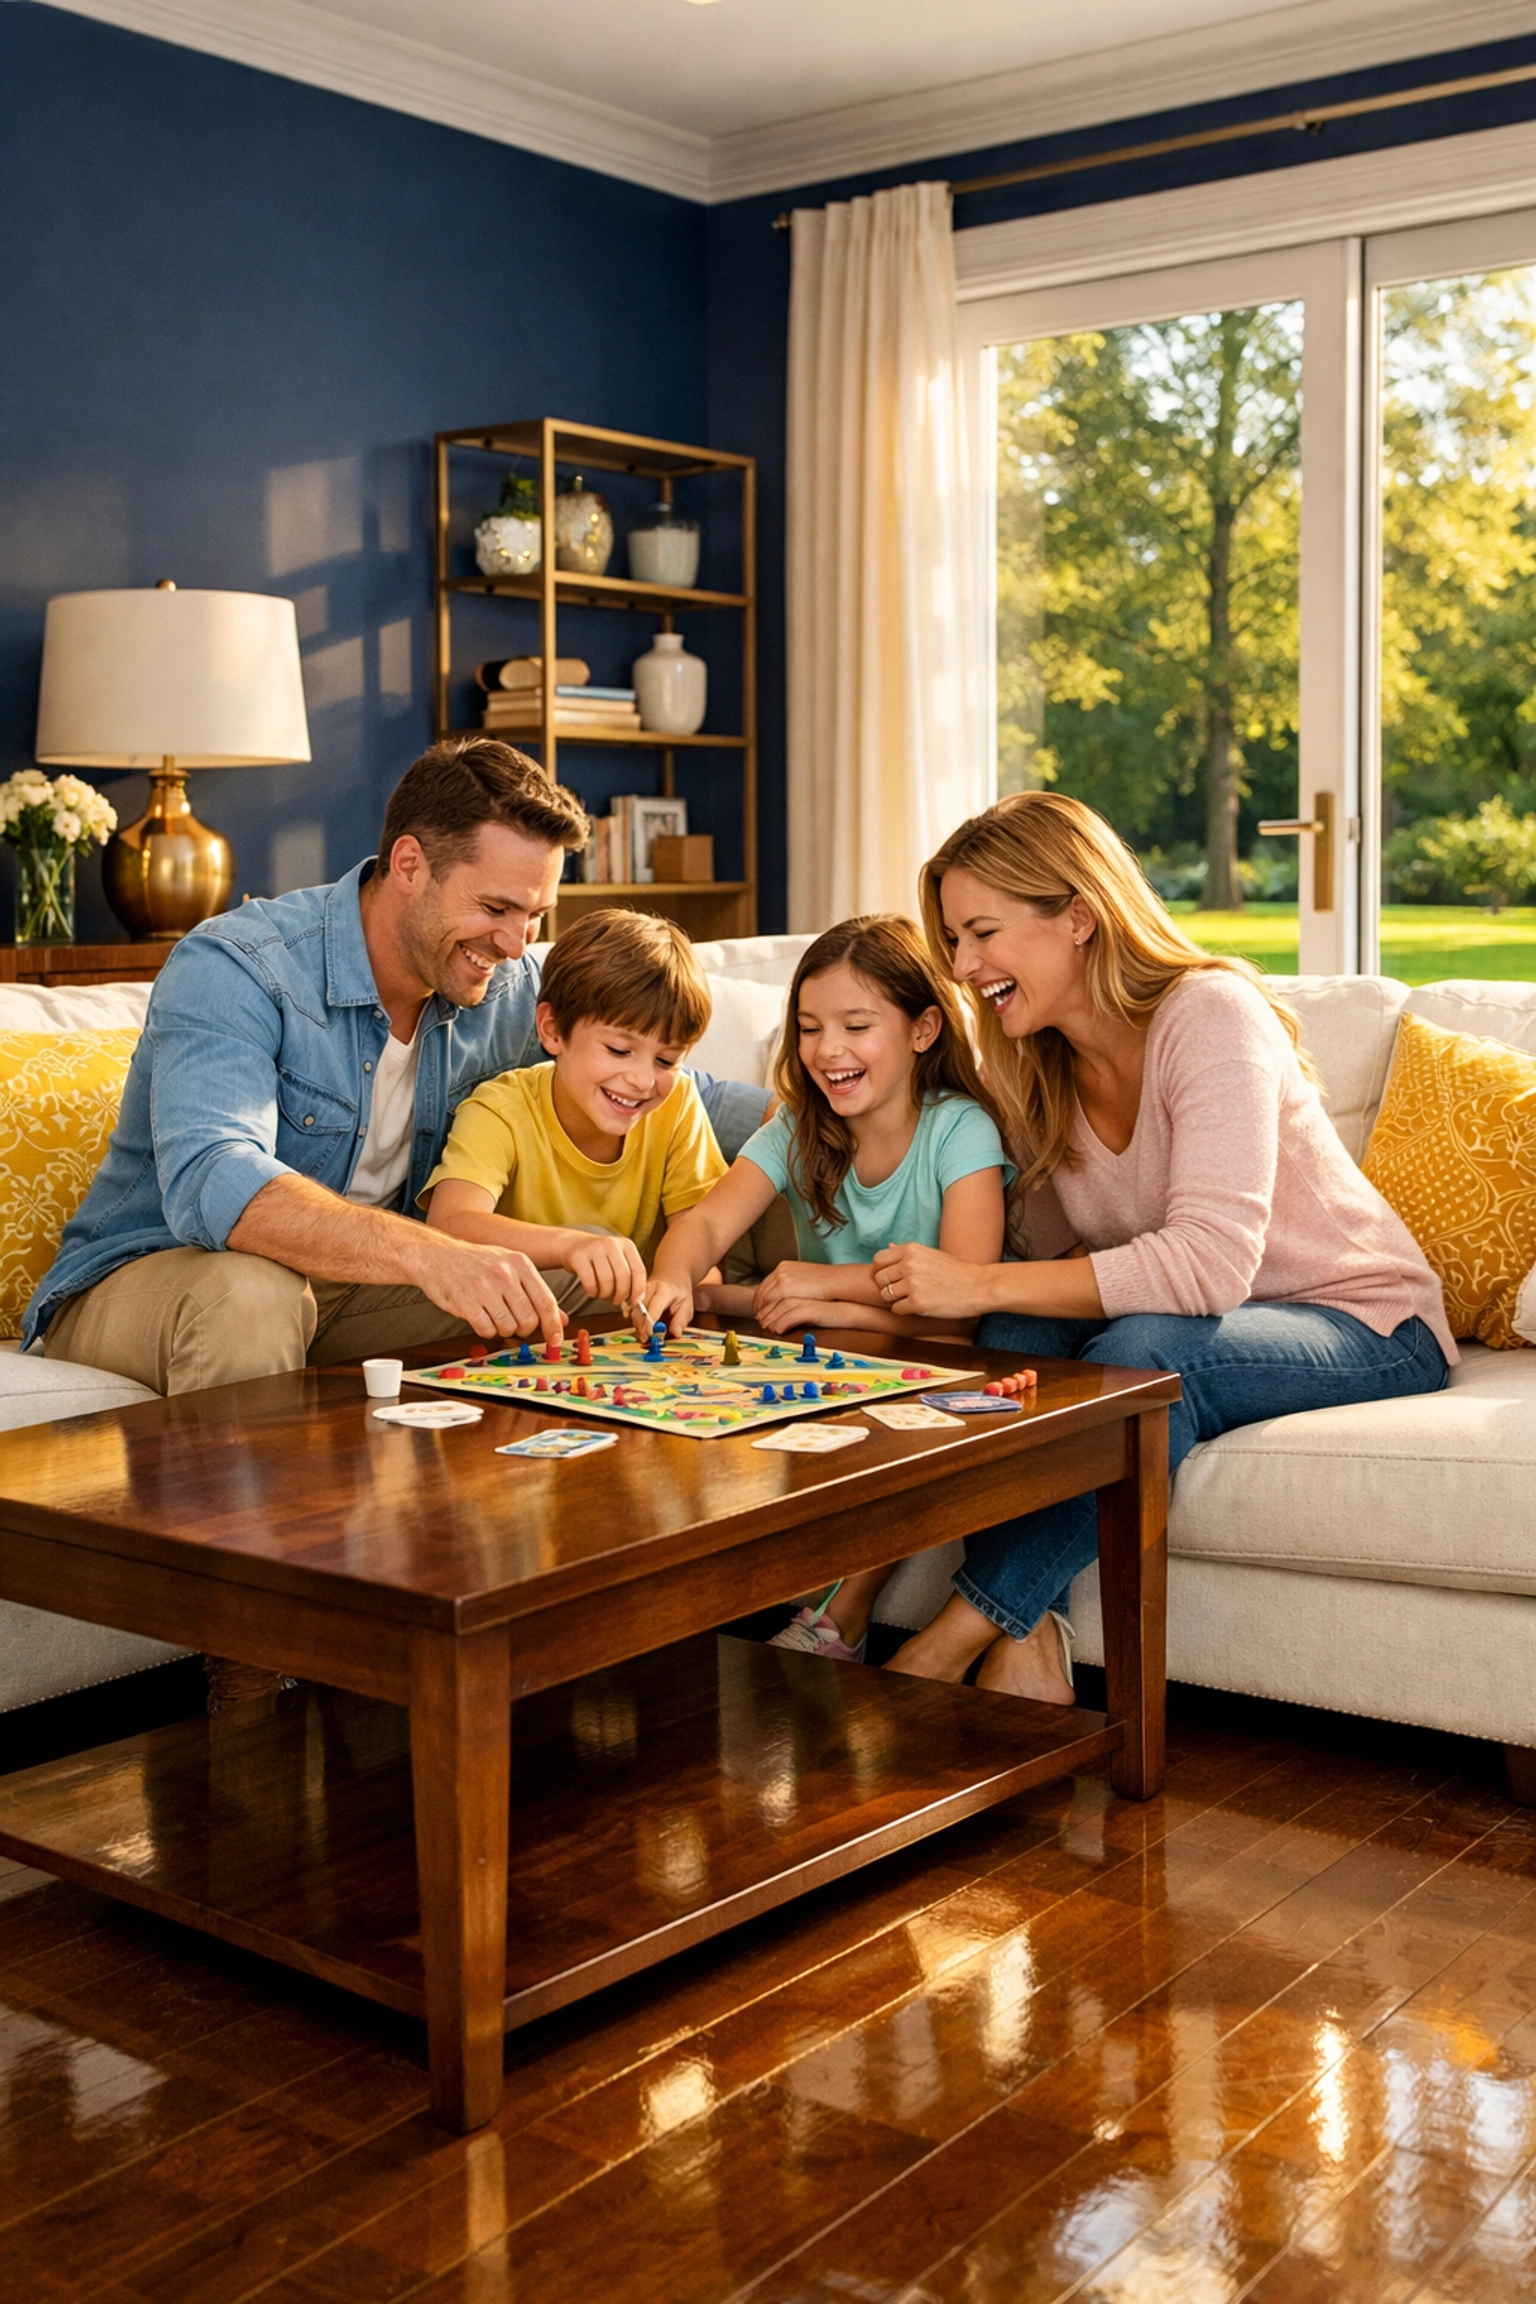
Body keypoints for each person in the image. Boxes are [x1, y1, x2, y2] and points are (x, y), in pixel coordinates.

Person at [867, 791, 1455, 1705]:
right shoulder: (1036, 1062)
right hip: (1207, 1318)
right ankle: (1038, 1633)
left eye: (981, 932)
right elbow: (1052, 1263)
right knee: (1016, 1338)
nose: (961, 964)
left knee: (1145, 1359)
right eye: (952, 940)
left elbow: (1207, 1266)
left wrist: (973, 1277)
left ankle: (949, 1642)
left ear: (1079, 919)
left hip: (1364, 1322)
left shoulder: (1210, 1014)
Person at [32, 738, 768, 1394]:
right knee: (251, 1293)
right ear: (410, 863)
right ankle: (245, 1550)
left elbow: (676, 1086)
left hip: (355, 1288)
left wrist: (836, 1112)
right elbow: (216, 1177)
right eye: (496, 907)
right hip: (156, 1279)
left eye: (535, 916)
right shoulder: (239, 966)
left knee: (592, 1285)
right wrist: (431, 1255)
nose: (517, 944)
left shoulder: (499, 987)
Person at [647, 913, 1013, 1660]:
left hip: (935, 1353)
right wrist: (671, 1278)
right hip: (835, 1348)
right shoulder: (796, 1131)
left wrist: (824, 1284)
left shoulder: (960, 1130)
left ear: (923, 1030)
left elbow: (962, 1294)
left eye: (856, 1025)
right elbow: (709, 1224)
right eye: (810, 1028)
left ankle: (835, 1621)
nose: (828, 1051)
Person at [422, 907, 726, 1319]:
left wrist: (681, 1284)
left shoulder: (678, 1102)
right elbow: (450, 1223)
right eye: (619, 1050)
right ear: (552, 1030)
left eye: (666, 1060)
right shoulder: (501, 1108)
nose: (641, 1080)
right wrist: (572, 1245)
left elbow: (704, 1252)